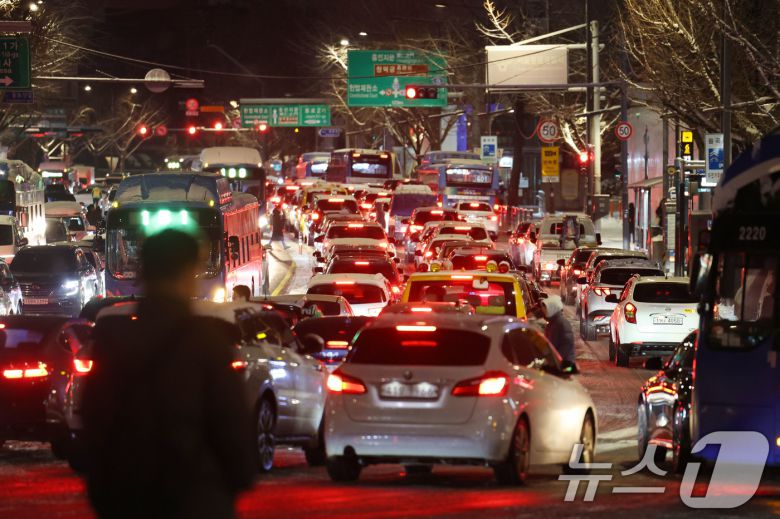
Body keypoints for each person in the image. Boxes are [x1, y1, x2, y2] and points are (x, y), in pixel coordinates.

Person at [81, 230, 257, 519]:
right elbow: (231, 427)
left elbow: (94, 420)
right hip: (195, 497)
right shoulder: (207, 343)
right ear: (189, 271)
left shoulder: (113, 342)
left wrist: (106, 490)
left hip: (128, 497)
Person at [541, 295, 576, 365]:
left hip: (564, 363)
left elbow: (566, 345)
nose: (543, 310)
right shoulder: (552, 322)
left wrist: (554, 359)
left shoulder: (562, 323)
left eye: (546, 308)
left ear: (552, 308)